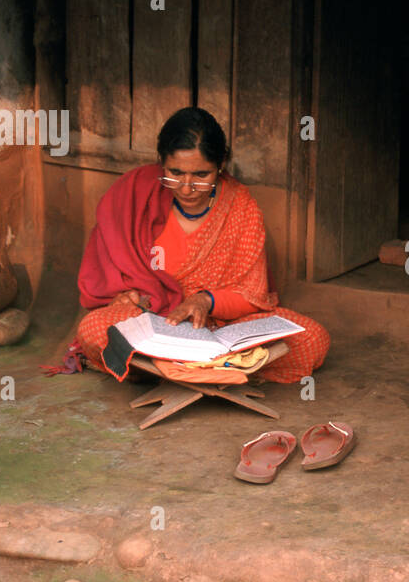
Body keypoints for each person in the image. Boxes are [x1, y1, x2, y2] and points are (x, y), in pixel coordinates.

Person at [74, 107, 329, 383]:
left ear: (221, 167)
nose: (186, 188)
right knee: (94, 329)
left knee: (312, 339)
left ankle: (169, 371)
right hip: (155, 321)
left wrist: (204, 300)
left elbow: (252, 294)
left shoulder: (240, 207)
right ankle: (216, 371)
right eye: (175, 173)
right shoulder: (134, 193)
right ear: (161, 162)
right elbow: (108, 270)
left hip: (220, 327)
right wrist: (126, 295)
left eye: (201, 175)